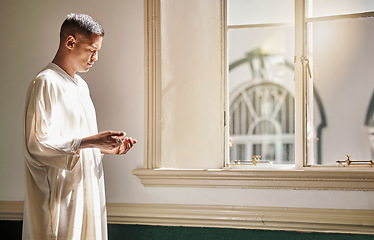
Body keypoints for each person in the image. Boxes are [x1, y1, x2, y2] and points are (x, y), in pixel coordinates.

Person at [22, 13, 136, 240]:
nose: (96, 57)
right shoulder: (45, 82)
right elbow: (37, 143)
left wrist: (105, 148)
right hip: (60, 198)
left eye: (98, 51)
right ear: (70, 42)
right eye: (92, 50)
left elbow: (76, 144)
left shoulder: (81, 86)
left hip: (87, 191)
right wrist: (92, 141)